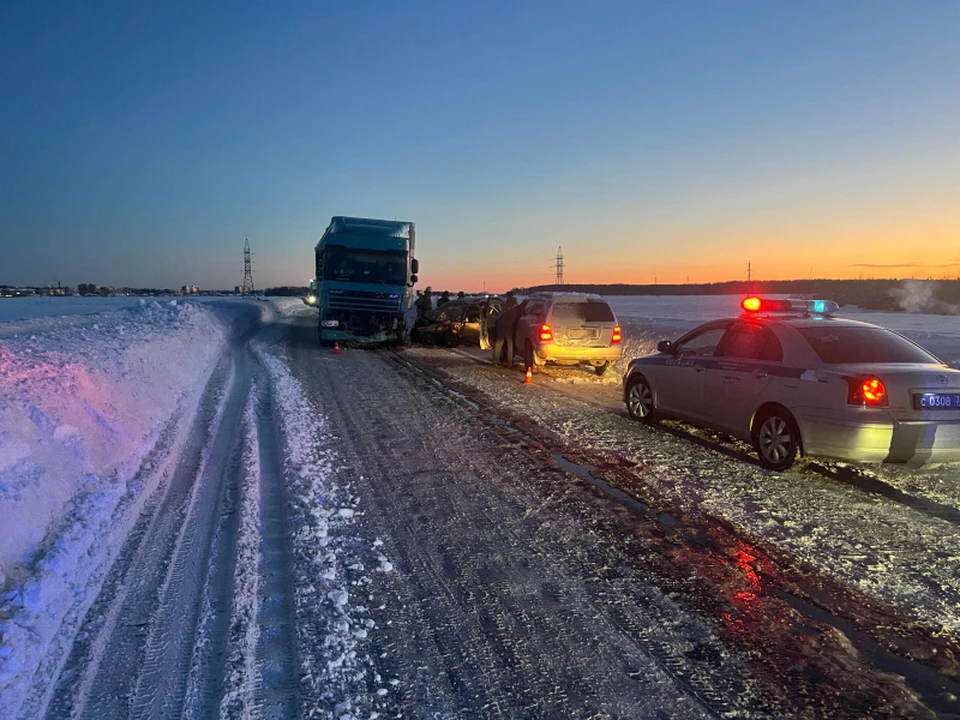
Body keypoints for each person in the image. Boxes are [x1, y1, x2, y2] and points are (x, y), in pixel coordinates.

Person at [493, 299, 527, 367]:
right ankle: (510, 363)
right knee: (510, 344)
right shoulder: (522, 310)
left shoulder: (516, 308)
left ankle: (495, 360)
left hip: (501, 321)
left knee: (500, 341)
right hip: (507, 325)